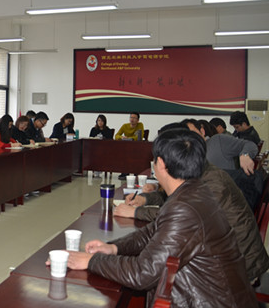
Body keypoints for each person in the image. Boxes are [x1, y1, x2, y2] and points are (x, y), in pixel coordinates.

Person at [65, 128, 256, 307]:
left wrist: (92, 261)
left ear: (161, 164)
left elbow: (143, 273)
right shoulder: (195, 191)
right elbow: (153, 230)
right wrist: (114, 247)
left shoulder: (185, 208)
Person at [116, 123, 269, 282]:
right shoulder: (199, 170)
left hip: (239, 266)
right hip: (224, 253)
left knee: (158, 271)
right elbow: (176, 198)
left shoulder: (213, 183)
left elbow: (180, 216)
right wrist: (145, 199)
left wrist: (136, 212)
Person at [182, 118, 260, 209]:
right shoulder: (187, 156)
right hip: (204, 202)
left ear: (202, 131)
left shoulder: (218, 141)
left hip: (228, 203)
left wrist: (245, 155)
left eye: (193, 133)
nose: (191, 138)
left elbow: (250, 145)